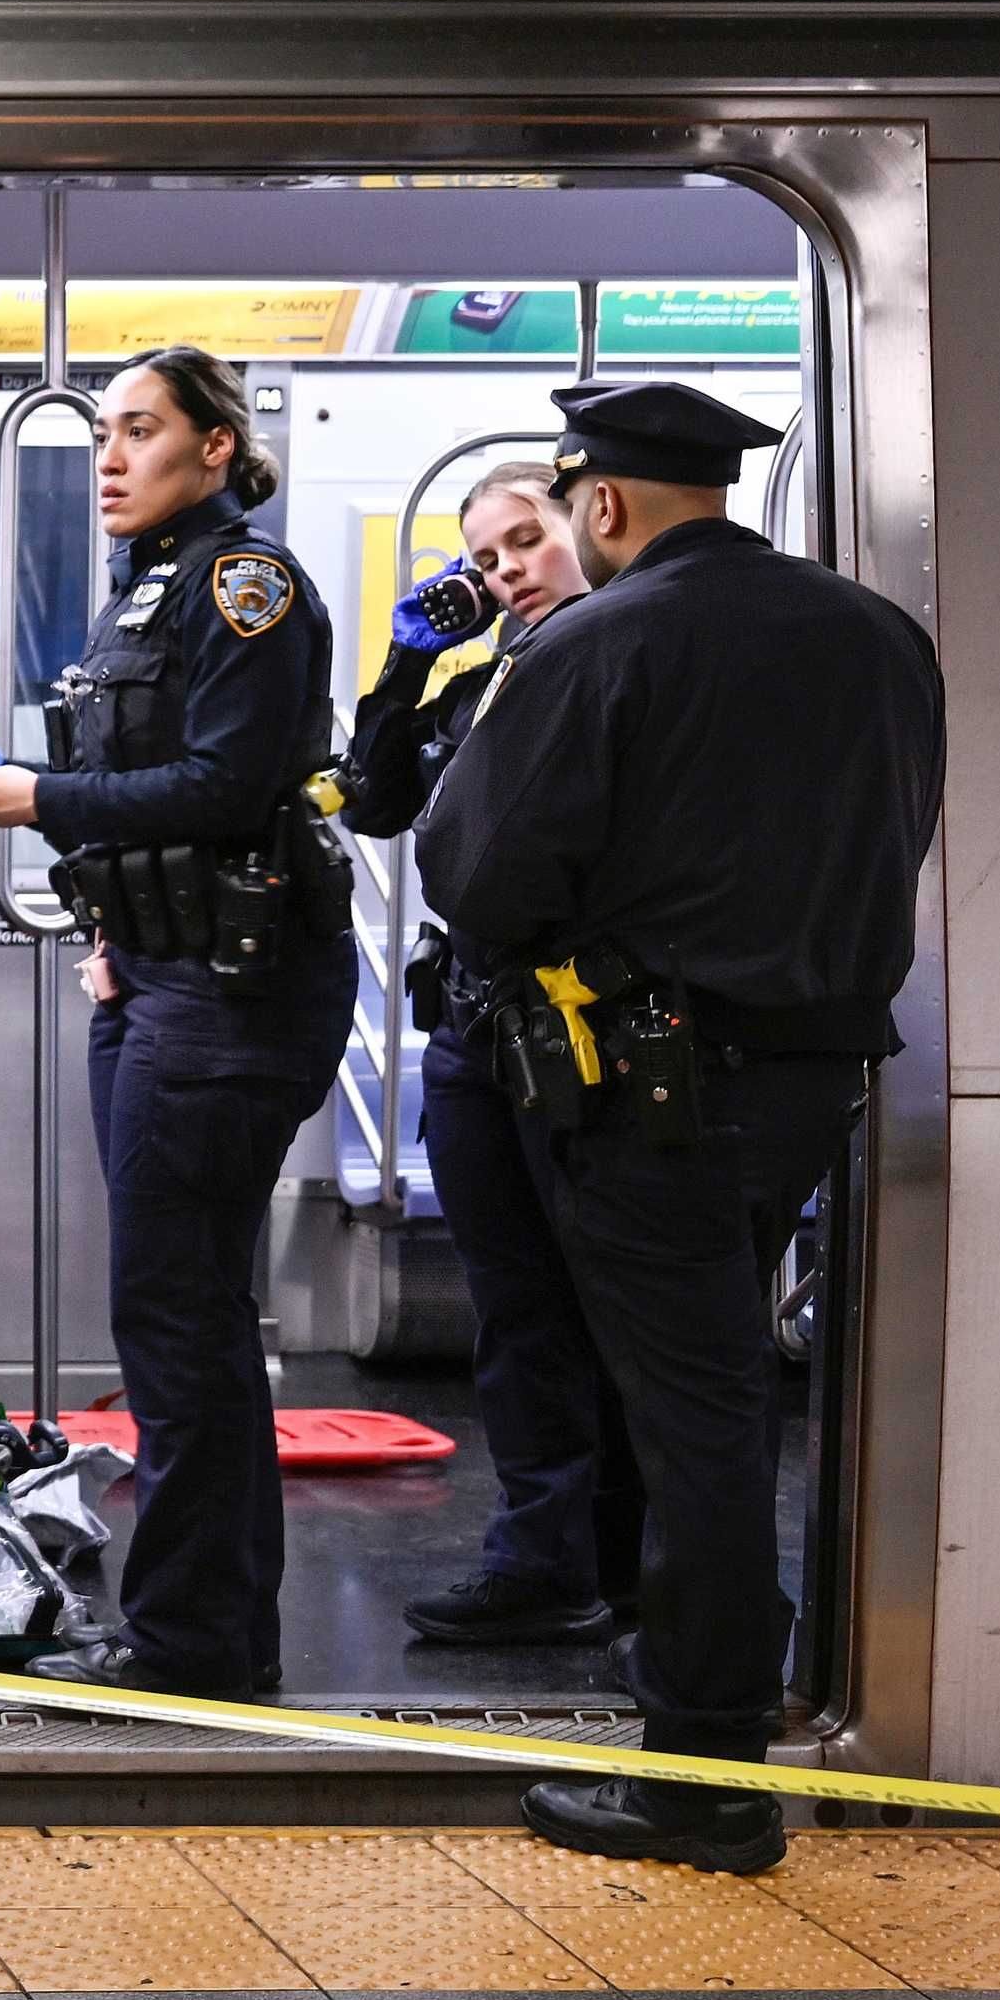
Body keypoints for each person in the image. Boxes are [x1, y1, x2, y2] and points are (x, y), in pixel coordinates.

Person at [417, 380, 942, 1873]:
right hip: (810, 1075)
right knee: (716, 1388)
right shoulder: (879, 636)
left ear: (601, 500)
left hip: (653, 1090)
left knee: (695, 1411)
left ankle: (704, 1771)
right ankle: (712, 1693)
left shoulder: (597, 642)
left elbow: (477, 874)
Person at [0, 346, 352, 1699]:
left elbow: (226, 788)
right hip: (161, 978)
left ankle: (193, 1647)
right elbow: (152, 788)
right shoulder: (147, 589)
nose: (109, 457)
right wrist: (30, 792)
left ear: (215, 446)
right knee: (181, 1314)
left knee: (179, 1321)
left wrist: (39, 802)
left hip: (229, 997)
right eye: (103, 432)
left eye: (142, 430)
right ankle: (208, 1631)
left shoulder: (243, 587)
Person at [333, 463, 635, 1652]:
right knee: (512, 1305)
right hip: (472, 1029)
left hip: (581, 1029)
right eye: (485, 556)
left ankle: (612, 1555)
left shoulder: (615, 664)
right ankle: (542, 1557)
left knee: (601, 1300)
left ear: (586, 529)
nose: (507, 568)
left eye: (526, 538)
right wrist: (402, 668)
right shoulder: (477, 685)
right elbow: (369, 801)